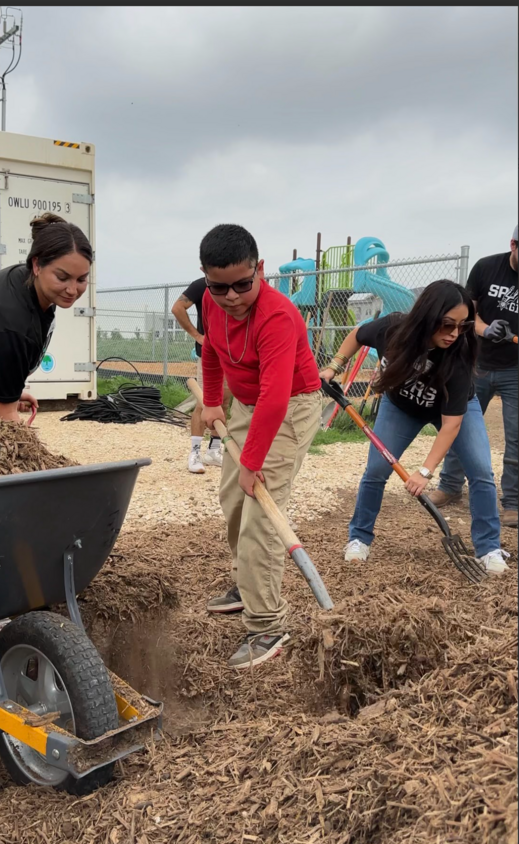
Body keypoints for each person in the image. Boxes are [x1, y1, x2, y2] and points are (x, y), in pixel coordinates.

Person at [321, 280, 509, 576]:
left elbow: (451, 425)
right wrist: (334, 367)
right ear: (428, 315)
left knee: (481, 472)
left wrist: (424, 472)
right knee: (375, 472)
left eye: (462, 325)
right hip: (401, 408)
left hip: (453, 410)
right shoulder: (393, 329)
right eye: (447, 325)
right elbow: (358, 334)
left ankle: (488, 548)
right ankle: (359, 537)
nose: (454, 334)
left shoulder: (458, 355)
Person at [199, 224, 322, 669]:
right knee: (231, 497)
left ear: (260, 270)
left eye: (242, 285)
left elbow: (276, 396)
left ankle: (267, 622)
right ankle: (246, 584)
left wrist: (253, 462)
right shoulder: (211, 305)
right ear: (205, 277)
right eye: (219, 287)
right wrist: (212, 401)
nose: (231, 296)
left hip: (290, 405)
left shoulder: (277, 315)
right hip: (248, 404)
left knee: (261, 517)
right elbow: (210, 353)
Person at [0, 213, 92, 427]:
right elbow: (6, 422)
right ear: (37, 265)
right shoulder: (10, 321)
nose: (72, 290)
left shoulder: (28, 283)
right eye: (62, 277)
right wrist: (6, 401)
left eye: (82, 279)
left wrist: (10, 391)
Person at [429, 226, 518, 528]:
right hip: (476, 364)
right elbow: (469, 315)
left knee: (516, 436)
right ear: (512, 245)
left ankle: (513, 502)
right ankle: (450, 486)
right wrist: (486, 329)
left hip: (515, 371)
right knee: (459, 424)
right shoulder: (486, 267)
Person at [171, 278, 231, 473]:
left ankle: (213, 451)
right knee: (204, 403)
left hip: (232, 354)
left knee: (223, 403)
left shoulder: (235, 284)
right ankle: (195, 452)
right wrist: (198, 336)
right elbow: (178, 308)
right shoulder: (201, 285)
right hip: (209, 354)